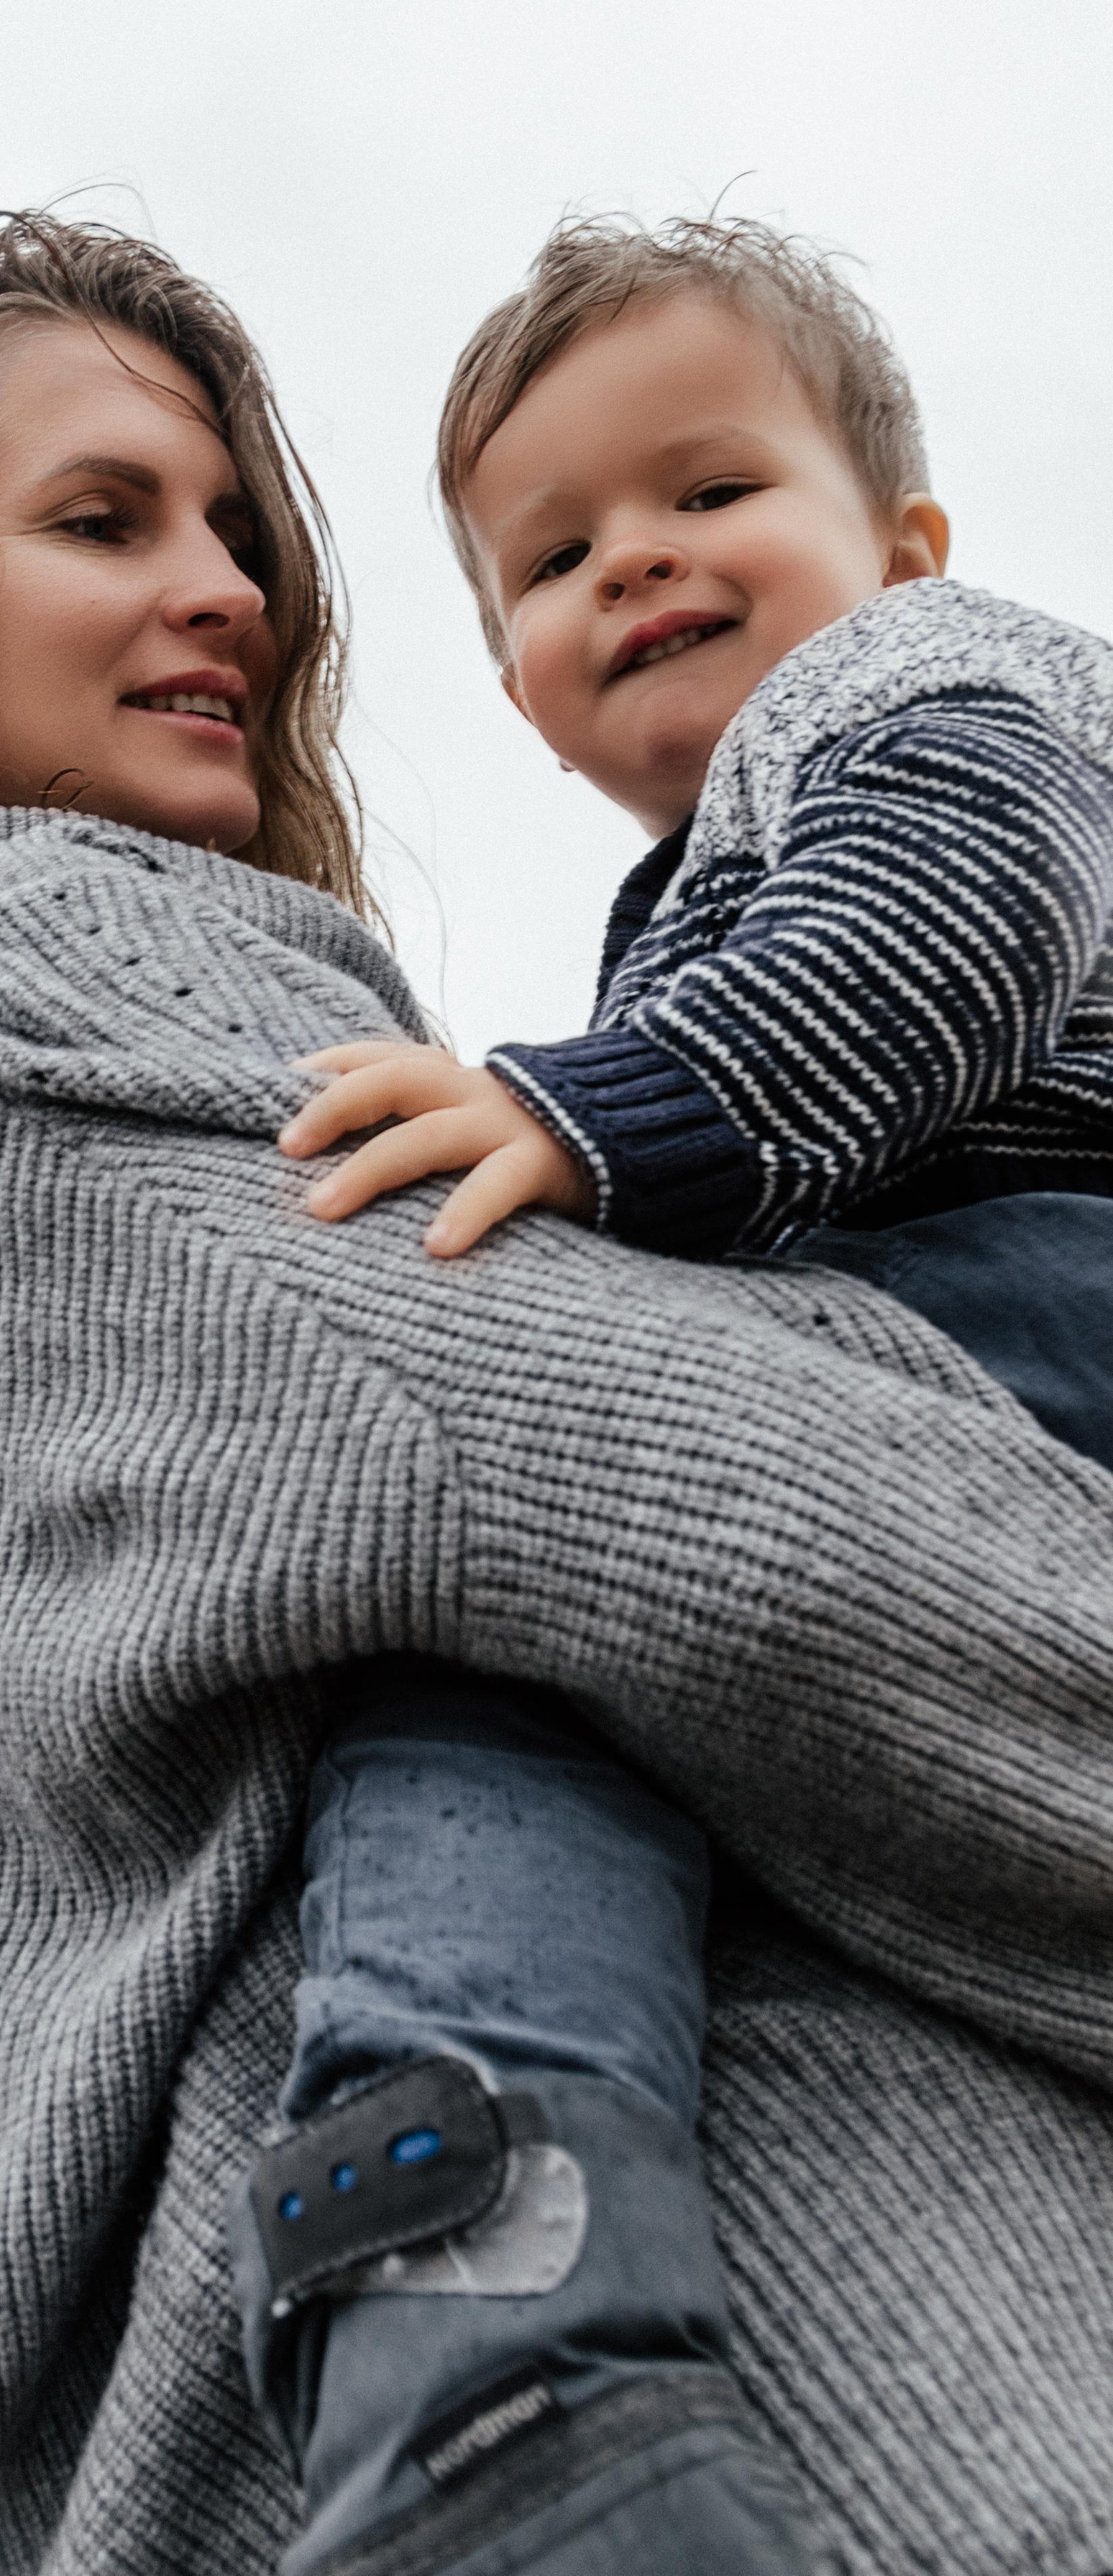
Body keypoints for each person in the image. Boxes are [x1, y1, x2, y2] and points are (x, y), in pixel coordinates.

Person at [0, 213, 1113, 2576]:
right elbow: (746, 1521)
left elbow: (946, 934)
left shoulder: (908, 713)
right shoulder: (14, 969)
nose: (230, 594)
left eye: (242, 535)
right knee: (478, 1736)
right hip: (773, 2440)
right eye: (105, 522)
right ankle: (479, 2319)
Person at [239, 219, 1113, 2575]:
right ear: (519, 683)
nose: (638, 561)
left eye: (709, 490)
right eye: (556, 553)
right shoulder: (717, 881)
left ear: (899, 548)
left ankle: (486, 2350)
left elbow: (960, 935)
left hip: (1051, 1271)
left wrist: (604, 1114)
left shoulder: (931, 691)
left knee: (507, 1621)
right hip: (959, 1339)